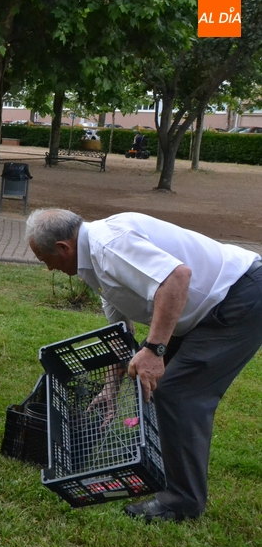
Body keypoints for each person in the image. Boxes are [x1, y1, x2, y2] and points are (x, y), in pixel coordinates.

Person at [25, 208, 262, 522]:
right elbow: (119, 333)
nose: (50, 269)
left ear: (62, 248)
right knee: (157, 383)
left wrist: (154, 350)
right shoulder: (93, 264)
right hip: (209, 306)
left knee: (180, 394)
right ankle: (169, 471)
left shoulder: (108, 246)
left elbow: (177, 278)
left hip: (239, 297)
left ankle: (181, 503)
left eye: (47, 261)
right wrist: (111, 387)